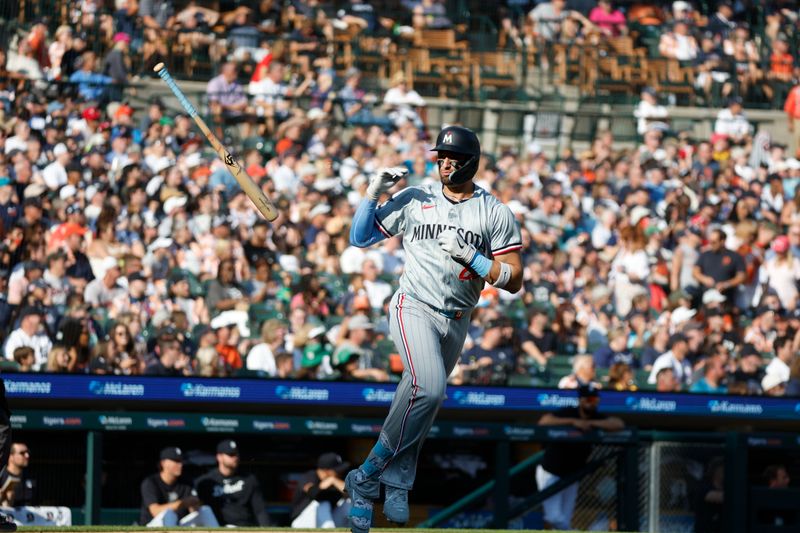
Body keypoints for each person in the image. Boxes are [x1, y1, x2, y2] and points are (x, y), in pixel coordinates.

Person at [345, 125, 523, 533]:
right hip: (415, 305)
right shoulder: (417, 197)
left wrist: (477, 261)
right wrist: (373, 194)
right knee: (430, 387)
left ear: (470, 163)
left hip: (458, 317)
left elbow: (514, 280)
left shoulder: (493, 211)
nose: (444, 162)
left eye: (452, 157)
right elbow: (360, 238)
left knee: (418, 401)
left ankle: (395, 481)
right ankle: (368, 477)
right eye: (440, 156)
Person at [536, 384, 624, 530]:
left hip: (572, 474)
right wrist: (572, 422)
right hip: (550, 471)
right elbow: (544, 421)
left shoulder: (596, 417)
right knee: (554, 517)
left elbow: (619, 424)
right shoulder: (569, 412)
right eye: (588, 399)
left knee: (565, 517)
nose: (592, 402)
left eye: (595, 399)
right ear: (581, 400)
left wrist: (589, 423)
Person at [194, 440, 271, 527]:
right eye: (231, 455)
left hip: (243, 527)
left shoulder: (249, 479)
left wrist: (265, 528)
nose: (235, 458)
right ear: (219, 457)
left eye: (236, 454)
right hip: (216, 528)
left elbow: (260, 510)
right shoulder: (206, 481)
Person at [139, 447, 219, 527]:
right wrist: (182, 503)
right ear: (163, 463)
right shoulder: (151, 482)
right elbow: (155, 511)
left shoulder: (186, 482)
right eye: (176, 461)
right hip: (152, 526)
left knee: (205, 510)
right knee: (169, 514)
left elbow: (193, 510)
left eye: (181, 461)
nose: (180, 465)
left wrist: (195, 504)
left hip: (177, 524)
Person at [290, 452, 351, 528]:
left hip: (328, 520)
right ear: (326, 471)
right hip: (302, 521)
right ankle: (329, 529)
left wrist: (333, 480)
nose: (340, 472)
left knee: (349, 503)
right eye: (337, 471)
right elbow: (313, 493)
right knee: (323, 503)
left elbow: (354, 493)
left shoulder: (335, 480)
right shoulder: (309, 477)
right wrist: (323, 485)